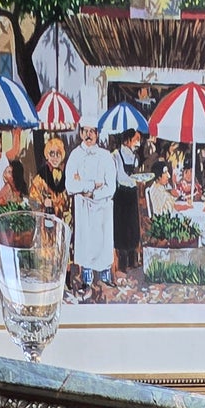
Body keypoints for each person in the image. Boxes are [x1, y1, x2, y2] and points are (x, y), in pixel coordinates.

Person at [64, 121, 117, 297]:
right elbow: (70, 185)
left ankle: (105, 278)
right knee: (86, 243)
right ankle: (86, 281)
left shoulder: (106, 156)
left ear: (97, 134)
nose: (88, 135)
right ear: (80, 133)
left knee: (102, 243)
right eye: (85, 131)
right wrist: (93, 184)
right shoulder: (75, 156)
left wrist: (93, 193)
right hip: (83, 208)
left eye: (92, 131)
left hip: (102, 208)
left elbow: (111, 187)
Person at [112, 128, 145, 275]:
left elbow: (137, 174)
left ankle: (133, 262)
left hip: (132, 194)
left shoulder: (135, 157)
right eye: (136, 139)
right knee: (121, 230)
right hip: (120, 195)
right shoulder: (115, 155)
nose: (138, 143)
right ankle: (122, 265)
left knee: (133, 227)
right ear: (127, 140)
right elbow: (116, 176)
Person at [30, 135, 69, 216]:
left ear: (62, 155)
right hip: (46, 219)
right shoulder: (40, 177)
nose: (55, 158)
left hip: (64, 219)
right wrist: (43, 203)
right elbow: (33, 200)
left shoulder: (68, 173)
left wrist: (56, 203)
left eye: (58, 154)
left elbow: (70, 200)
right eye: (52, 154)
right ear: (47, 156)